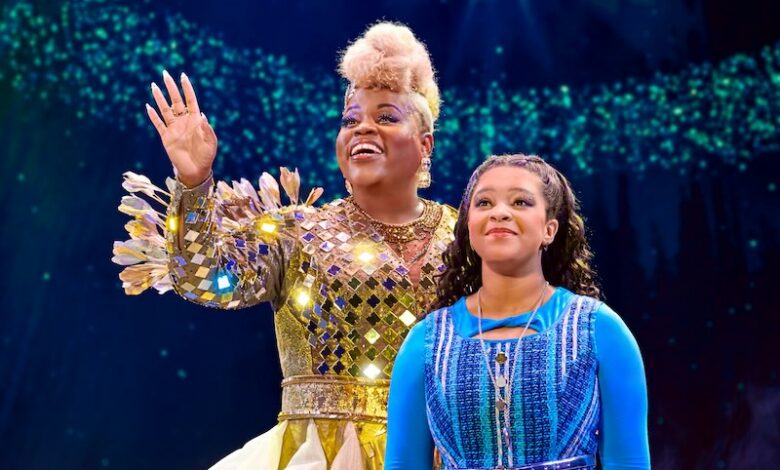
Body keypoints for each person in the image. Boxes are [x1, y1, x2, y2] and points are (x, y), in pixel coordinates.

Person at [112, 22, 457, 470]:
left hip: (445, 453)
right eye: (350, 120)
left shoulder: (464, 236)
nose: (362, 129)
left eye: (386, 117)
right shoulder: (298, 233)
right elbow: (203, 280)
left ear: (425, 144)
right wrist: (194, 181)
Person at [385, 154, 650, 469]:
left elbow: (629, 461)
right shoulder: (426, 342)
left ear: (549, 230)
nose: (499, 213)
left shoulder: (598, 330)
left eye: (520, 202)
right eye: (484, 203)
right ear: (469, 227)